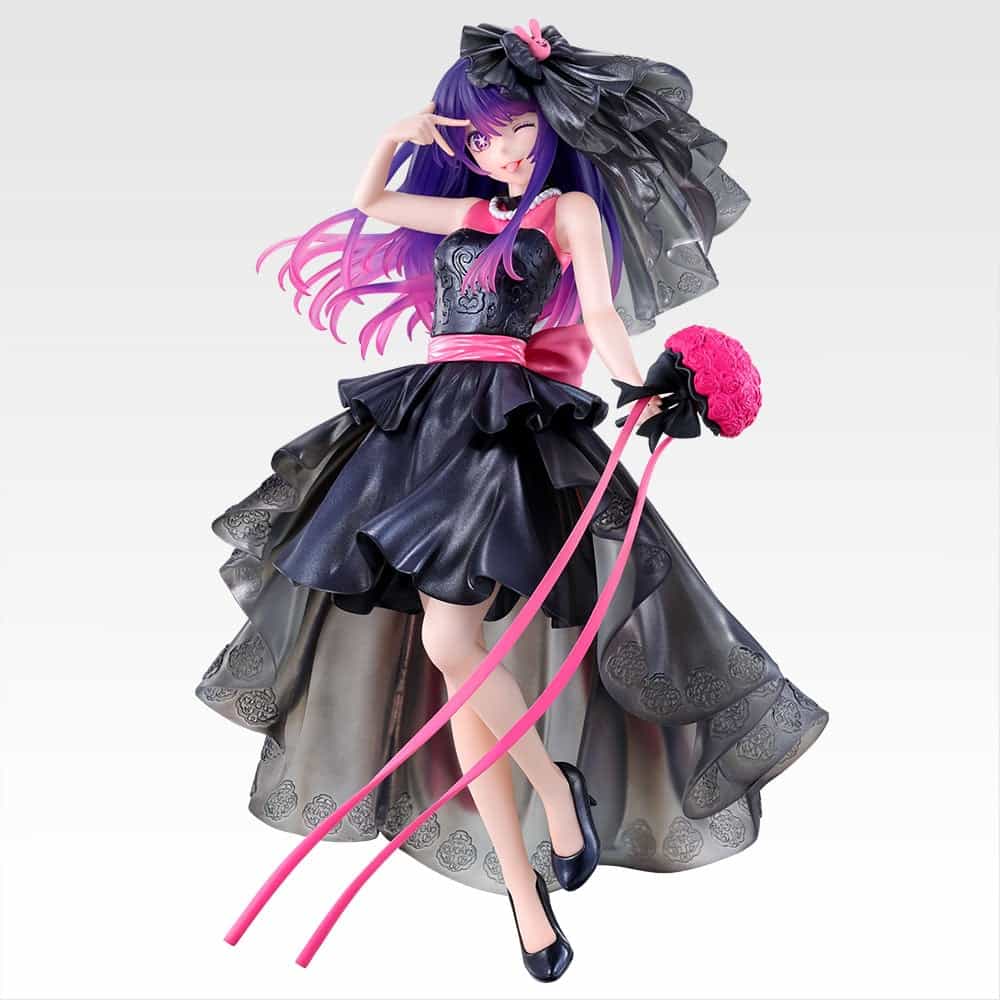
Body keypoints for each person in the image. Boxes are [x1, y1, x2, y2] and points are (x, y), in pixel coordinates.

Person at [196, 20, 829, 983]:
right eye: (481, 137)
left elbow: (601, 311)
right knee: (460, 674)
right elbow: (372, 201)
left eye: (513, 130)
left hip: (498, 432)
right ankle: (531, 880)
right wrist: (400, 133)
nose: (499, 150)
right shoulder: (471, 211)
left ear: (548, 123)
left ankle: (554, 809)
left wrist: (640, 385)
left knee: (456, 646)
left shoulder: (568, 211)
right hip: (424, 424)